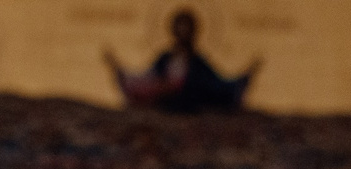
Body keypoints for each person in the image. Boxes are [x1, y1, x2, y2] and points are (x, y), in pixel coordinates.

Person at [105, 10, 255, 116]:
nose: (183, 31)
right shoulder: (165, 58)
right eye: (180, 27)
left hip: (190, 99)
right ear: (173, 30)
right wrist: (119, 70)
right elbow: (150, 76)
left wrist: (243, 79)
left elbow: (214, 82)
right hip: (165, 100)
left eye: (187, 27)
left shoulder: (197, 61)